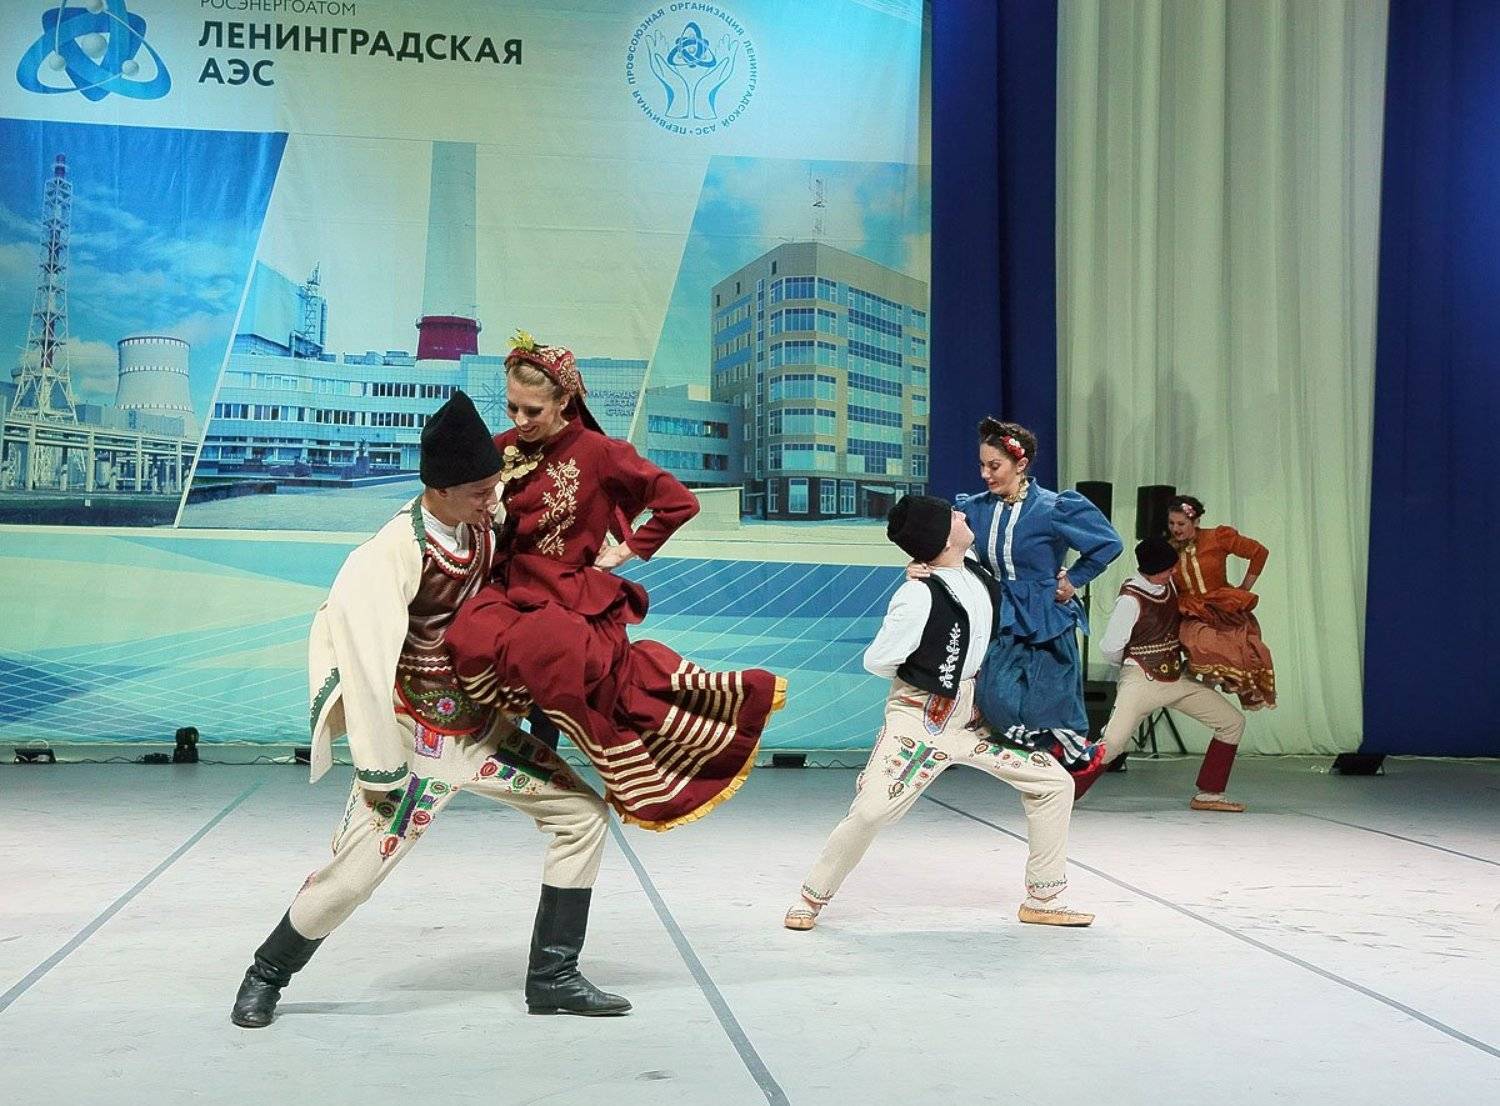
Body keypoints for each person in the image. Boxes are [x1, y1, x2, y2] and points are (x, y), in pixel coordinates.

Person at [230, 390, 629, 1029]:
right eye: (478, 492)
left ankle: (553, 977)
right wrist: (380, 766)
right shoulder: (389, 553)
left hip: (478, 727)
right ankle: (266, 974)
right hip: (414, 736)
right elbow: (362, 659)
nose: (492, 500)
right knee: (355, 875)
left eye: (492, 487)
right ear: (438, 489)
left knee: (581, 816)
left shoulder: (481, 523)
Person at [447, 332, 785, 832]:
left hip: (566, 597)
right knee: (463, 637)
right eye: (513, 407)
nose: (519, 420)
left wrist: (627, 549)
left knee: (561, 659)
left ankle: (561, 778)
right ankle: (494, 750)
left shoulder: (601, 452)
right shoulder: (502, 449)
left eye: (533, 411)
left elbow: (679, 502)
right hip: (507, 590)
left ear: (564, 400)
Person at [783, 495, 1092, 932]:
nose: (962, 514)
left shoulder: (976, 571)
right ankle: (811, 898)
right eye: (953, 515)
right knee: (872, 811)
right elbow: (878, 660)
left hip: (976, 718)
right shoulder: (916, 595)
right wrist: (929, 675)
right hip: (921, 717)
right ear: (944, 538)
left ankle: (1043, 898)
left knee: (1054, 784)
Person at [952, 418, 1122, 774]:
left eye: (994, 465)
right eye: (982, 465)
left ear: (1021, 464)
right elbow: (945, 546)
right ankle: (1045, 760)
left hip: (1047, 614)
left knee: (1052, 702)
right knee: (995, 697)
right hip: (1003, 614)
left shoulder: (1054, 507)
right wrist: (920, 566)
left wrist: (1074, 579)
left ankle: (1065, 771)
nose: (985, 474)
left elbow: (1108, 543)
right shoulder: (975, 508)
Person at [1097, 537, 1249, 811]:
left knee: (1232, 722)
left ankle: (1209, 795)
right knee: (1112, 744)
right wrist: (1135, 664)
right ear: (1153, 571)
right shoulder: (1130, 599)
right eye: (1169, 569)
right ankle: (1064, 792)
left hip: (1176, 679)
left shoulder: (1170, 586)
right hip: (1142, 681)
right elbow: (1110, 648)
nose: (1174, 572)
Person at [1166, 495, 1276, 710]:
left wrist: (1243, 589)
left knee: (1241, 652)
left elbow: (1259, 552)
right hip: (1191, 611)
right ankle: (1200, 693)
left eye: (1181, 523)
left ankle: (1210, 698)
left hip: (1222, 607)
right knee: (1199, 642)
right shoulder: (1168, 549)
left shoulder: (1217, 537)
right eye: (1171, 523)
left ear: (1196, 522)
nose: (1175, 529)